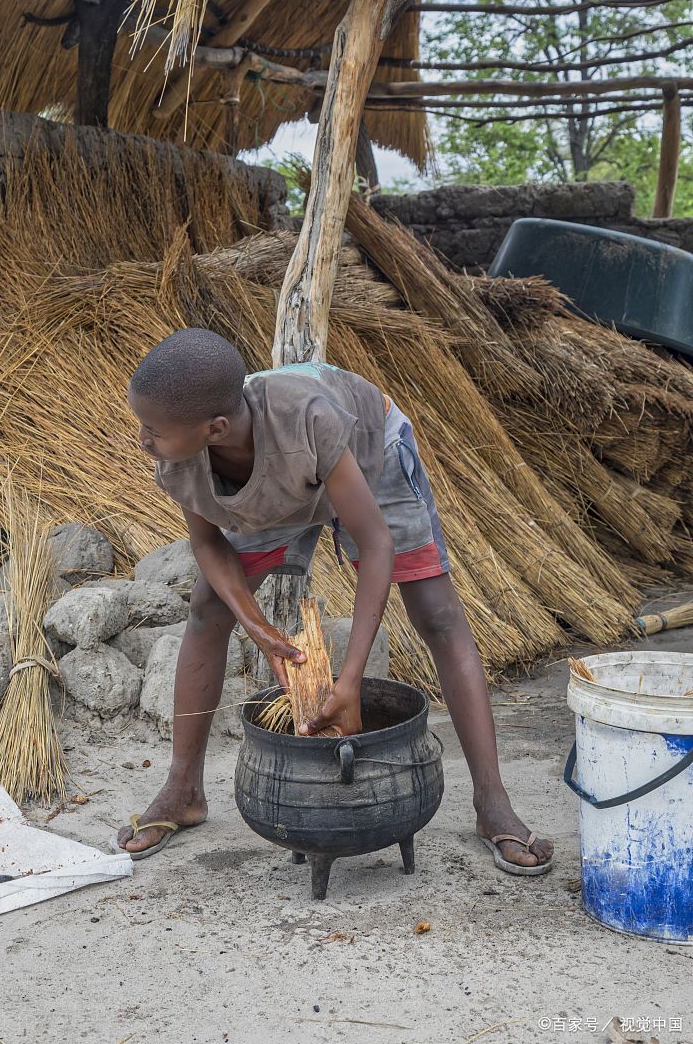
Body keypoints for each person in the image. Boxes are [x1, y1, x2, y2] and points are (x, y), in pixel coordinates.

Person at [117, 328, 554, 875]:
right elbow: (208, 543)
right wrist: (255, 625)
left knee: (438, 616)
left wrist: (348, 682)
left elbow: (376, 543)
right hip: (277, 481)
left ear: (216, 428)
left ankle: (493, 804)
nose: (142, 439)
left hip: (366, 452)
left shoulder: (311, 418)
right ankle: (183, 790)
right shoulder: (180, 459)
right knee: (208, 611)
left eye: (152, 430)